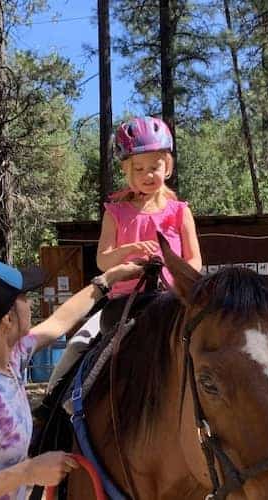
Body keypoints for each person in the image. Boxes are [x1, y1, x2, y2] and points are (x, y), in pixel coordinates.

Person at [0, 257, 142, 499]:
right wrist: (27, 472)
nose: (31, 303)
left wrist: (108, 279)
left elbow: (59, 321)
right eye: (24, 297)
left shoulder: (10, 358)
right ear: (7, 318)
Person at [47, 116, 202, 391]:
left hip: (172, 300)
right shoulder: (115, 213)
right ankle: (52, 405)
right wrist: (129, 250)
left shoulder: (180, 211)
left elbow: (194, 260)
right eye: (139, 168)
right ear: (127, 171)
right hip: (122, 303)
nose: (148, 174)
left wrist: (179, 283)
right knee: (77, 345)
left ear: (167, 166)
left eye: (155, 166)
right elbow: (102, 260)